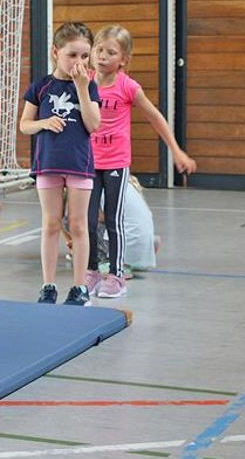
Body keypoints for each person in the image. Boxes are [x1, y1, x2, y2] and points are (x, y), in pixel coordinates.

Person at [87, 24, 195, 299]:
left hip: (115, 162)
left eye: (111, 52)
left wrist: (176, 151)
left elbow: (155, 117)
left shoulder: (128, 87)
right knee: (87, 220)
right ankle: (90, 272)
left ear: (123, 60)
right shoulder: (84, 81)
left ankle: (116, 275)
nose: (102, 56)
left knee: (114, 218)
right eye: (99, 50)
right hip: (87, 162)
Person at [19, 22, 101, 306]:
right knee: (51, 224)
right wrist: (43, 122)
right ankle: (48, 285)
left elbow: (93, 124)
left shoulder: (90, 86)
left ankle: (80, 287)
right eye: (72, 55)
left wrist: (81, 87)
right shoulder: (41, 87)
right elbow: (24, 125)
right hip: (48, 164)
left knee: (78, 225)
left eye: (84, 56)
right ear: (56, 52)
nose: (79, 62)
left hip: (79, 164)